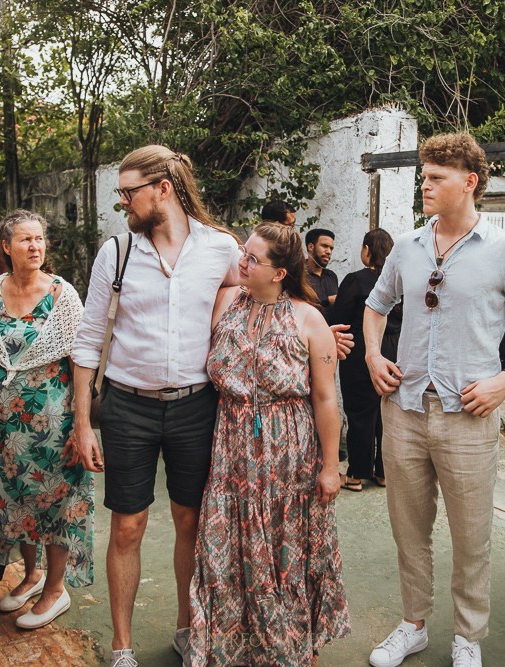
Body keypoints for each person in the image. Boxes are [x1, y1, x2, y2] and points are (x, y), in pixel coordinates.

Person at [69, 146, 353, 667]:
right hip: (128, 406)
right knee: (127, 526)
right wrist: (83, 420)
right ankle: (122, 647)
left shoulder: (221, 249)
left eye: (129, 192)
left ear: (162, 189)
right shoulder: (117, 252)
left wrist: (313, 334)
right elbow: (88, 340)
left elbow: (263, 300)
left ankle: (188, 629)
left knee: (191, 522)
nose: (123, 202)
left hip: (196, 408)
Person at [363, 132, 505, 667]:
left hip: (470, 416)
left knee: (472, 534)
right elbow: (375, 304)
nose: (424, 185)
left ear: (470, 182)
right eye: (423, 176)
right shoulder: (406, 247)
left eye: (436, 178)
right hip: (404, 408)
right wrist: (371, 354)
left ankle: (467, 636)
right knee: (409, 529)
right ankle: (412, 625)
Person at [189, 221, 350, 665]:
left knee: (287, 547)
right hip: (232, 446)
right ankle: (235, 645)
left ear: (279, 273)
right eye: (243, 252)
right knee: (230, 547)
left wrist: (331, 465)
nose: (242, 262)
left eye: (253, 258)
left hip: (289, 451)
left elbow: (324, 397)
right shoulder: (225, 302)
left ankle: (293, 645)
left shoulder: (308, 318)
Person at [0, 209, 93, 630]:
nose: (35, 246)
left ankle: (56, 590)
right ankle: (32, 575)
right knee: (16, 500)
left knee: (55, 503)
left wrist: (83, 422)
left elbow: (81, 364)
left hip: (54, 424)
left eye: (39, 239)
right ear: (6, 246)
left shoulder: (62, 295)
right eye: (25, 240)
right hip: (5, 425)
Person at [331, 228, 402, 491]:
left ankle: (357, 474)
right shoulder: (397, 280)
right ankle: (383, 473)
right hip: (393, 350)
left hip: (362, 348)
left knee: (360, 412)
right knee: (386, 413)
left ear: (367, 251)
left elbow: (340, 317)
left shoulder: (356, 280)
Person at [305, 228, 338, 315]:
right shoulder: (298, 274)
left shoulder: (332, 276)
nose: (329, 252)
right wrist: (327, 301)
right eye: (325, 246)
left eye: (331, 248)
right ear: (311, 247)